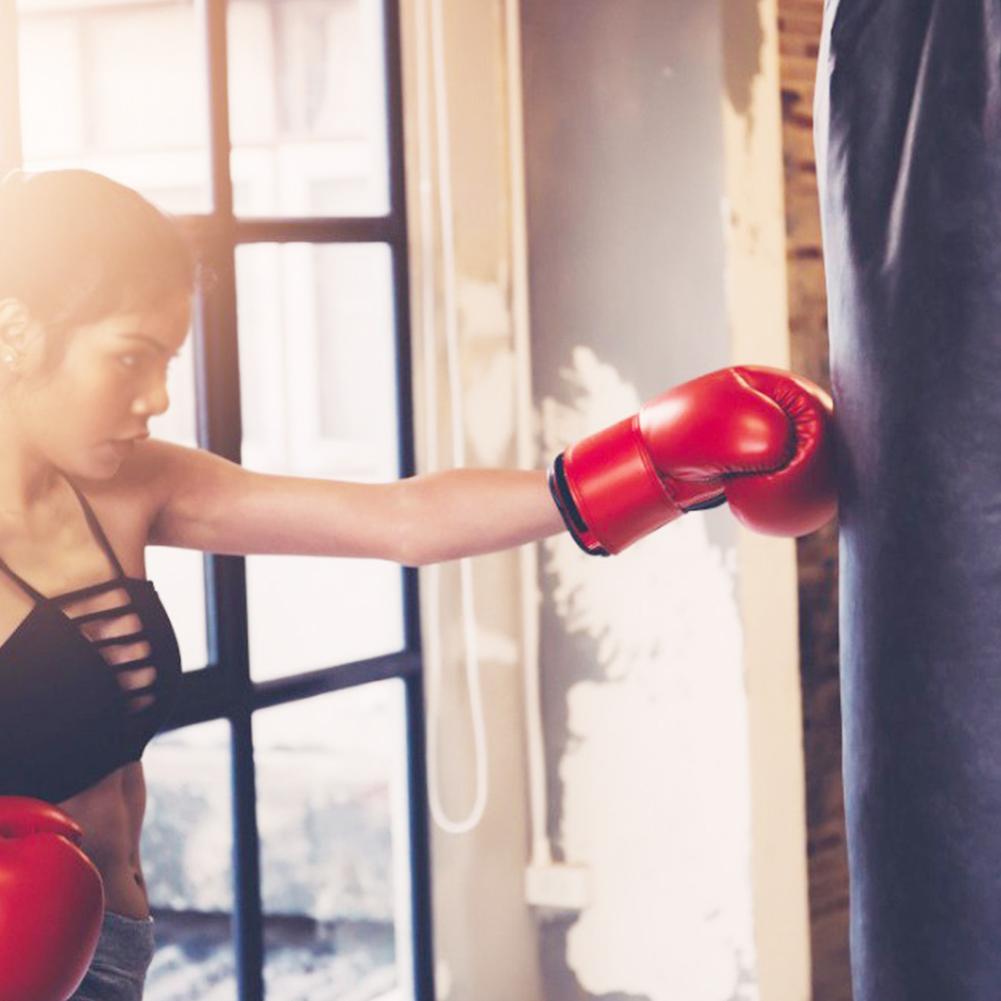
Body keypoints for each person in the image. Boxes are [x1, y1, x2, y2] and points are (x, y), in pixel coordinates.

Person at [0, 168, 836, 1001]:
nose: (158, 397)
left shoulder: (129, 485)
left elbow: (402, 520)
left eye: (168, 360)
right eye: (130, 357)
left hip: (117, 947)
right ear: (16, 332)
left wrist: (643, 466)